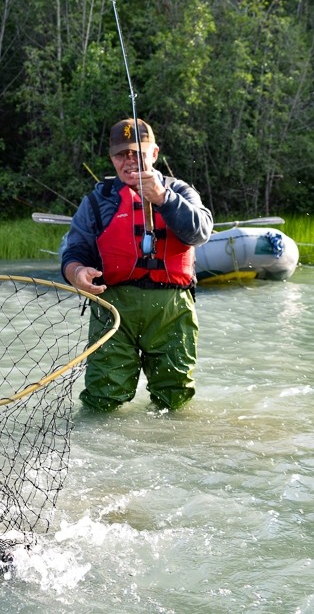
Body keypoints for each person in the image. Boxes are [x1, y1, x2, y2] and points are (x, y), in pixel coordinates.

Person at [60, 118, 213, 411]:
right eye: (121, 154)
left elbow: (200, 232)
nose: (129, 161)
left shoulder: (180, 192)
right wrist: (77, 272)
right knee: (103, 398)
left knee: (175, 399)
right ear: (112, 158)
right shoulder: (97, 200)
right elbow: (73, 252)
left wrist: (162, 198)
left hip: (171, 313)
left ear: (154, 154)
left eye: (137, 153)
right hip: (113, 311)